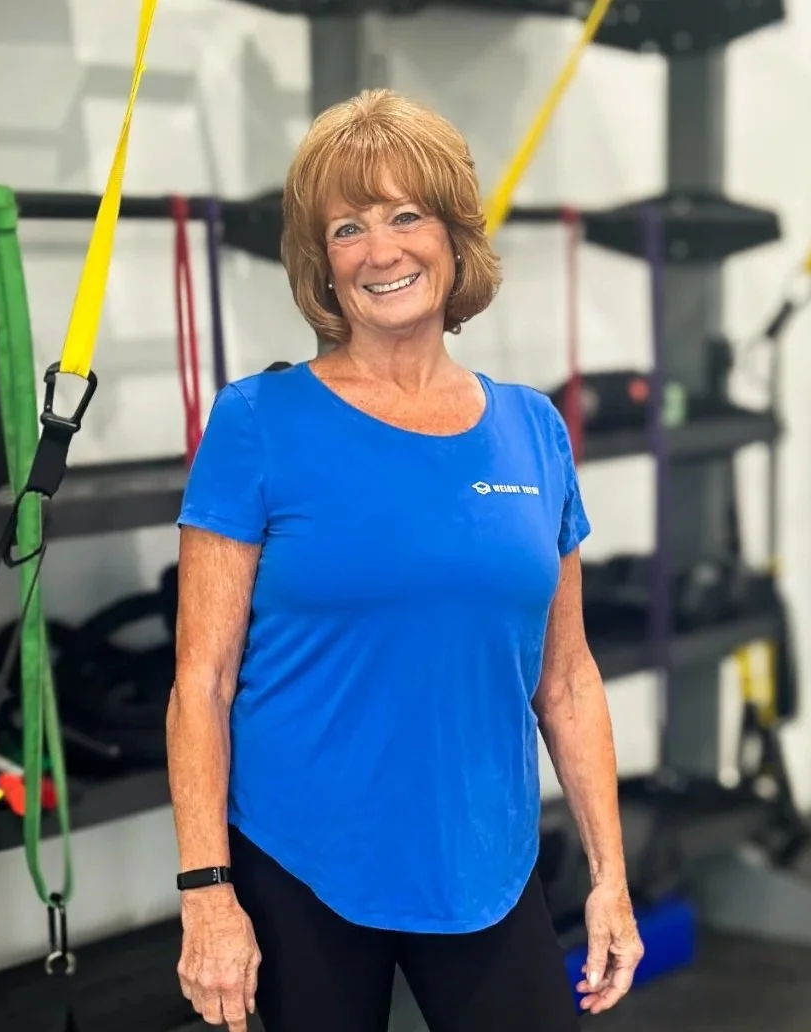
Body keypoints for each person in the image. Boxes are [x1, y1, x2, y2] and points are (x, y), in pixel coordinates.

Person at [165, 88, 644, 1032]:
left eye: (405, 215)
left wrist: (610, 879)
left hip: (484, 858)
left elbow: (569, 680)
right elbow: (203, 679)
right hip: (302, 858)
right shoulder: (257, 425)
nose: (381, 250)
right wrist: (205, 893)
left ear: (454, 237)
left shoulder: (533, 430)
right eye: (348, 227)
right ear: (324, 265)